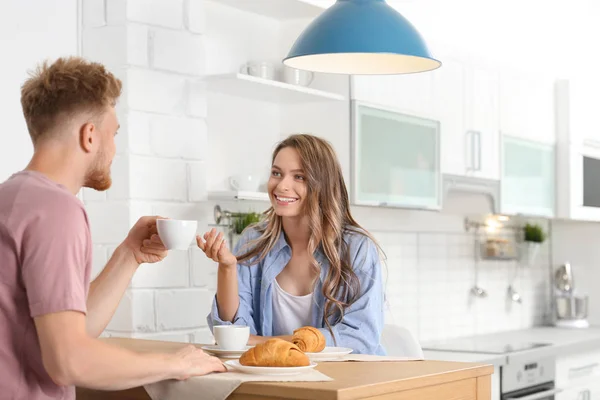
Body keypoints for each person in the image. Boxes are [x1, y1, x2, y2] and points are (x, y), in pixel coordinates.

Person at [0, 57, 225, 400]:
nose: (115, 148)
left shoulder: (14, 198)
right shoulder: (57, 210)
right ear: (90, 135)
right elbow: (69, 361)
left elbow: (71, 332)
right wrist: (175, 363)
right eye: (114, 133)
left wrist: (128, 256)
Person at [198, 134, 385, 355]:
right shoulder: (254, 242)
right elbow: (232, 334)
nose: (282, 186)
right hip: (280, 378)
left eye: (300, 177)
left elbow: (360, 338)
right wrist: (227, 268)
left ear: (322, 185)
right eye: (277, 173)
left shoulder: (357, 249)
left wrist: (264, 343)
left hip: (348, 379)